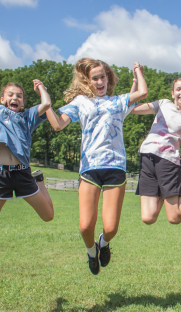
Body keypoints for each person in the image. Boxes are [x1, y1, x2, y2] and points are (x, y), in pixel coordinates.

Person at [45, 58, 147, 275]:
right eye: (95, 78)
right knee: (84, 227)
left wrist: (138, 72)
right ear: (87, 81)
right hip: (89, 168)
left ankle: (103, 242)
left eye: (103, 77)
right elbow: (57, 124)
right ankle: (91, 251)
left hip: (115, 168)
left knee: (111, 228)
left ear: (108, 78)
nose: (100, 81)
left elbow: (142, 93)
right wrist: (46, 104)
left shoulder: (118, 102)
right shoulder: (81, 102)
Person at [0, 69, 54, 232]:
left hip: (23, 174)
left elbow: (47, 104)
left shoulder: (28, 117)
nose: (14, 98)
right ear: (2, 99)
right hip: (1, 175)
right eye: (10, 95)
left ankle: (39, 180)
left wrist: (41, 88)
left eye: (19, 96)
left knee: (48, 216)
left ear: (23, 102)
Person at [132, 77, 181, 225]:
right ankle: (179, 171)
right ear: (173, 93)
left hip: (167, 160)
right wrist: (136, 80)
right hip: (147, 156)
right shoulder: (164, 104)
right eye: (178, 89)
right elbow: (132, 108)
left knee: (175, 218)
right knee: (148, 218)